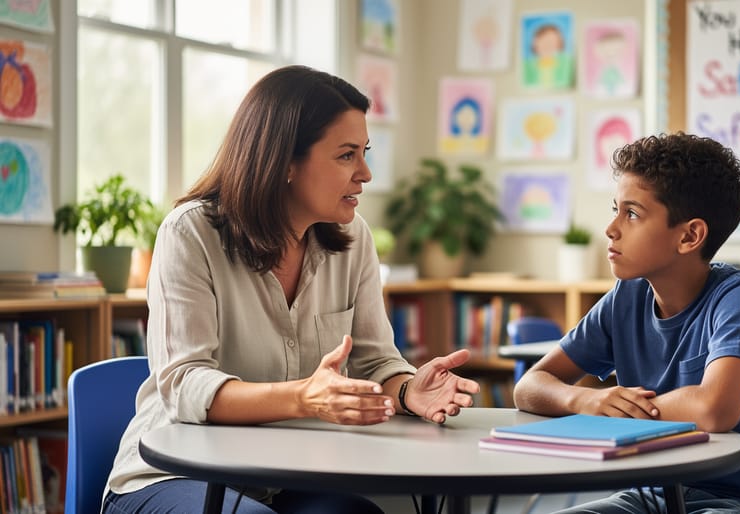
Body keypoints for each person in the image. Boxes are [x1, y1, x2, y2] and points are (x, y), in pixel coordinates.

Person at [102, 65, 481, 514]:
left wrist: (407, 390)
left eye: (364, 152)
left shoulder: (354, 238)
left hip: (280, 478)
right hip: (172, 476)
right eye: (346, 155)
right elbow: (184, 385)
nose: (365, 173)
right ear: (284, 162)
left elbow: (375, 362)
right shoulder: (190, 233)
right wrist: (304, 398)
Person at [513, 132, 740, 514]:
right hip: (652, 498)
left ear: (690, 235)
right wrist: (588, 400)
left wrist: (623, 409)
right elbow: (529, 386)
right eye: (616, 209)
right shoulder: (627, 297)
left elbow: (714, 410)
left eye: (632, 214)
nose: (610, 228)